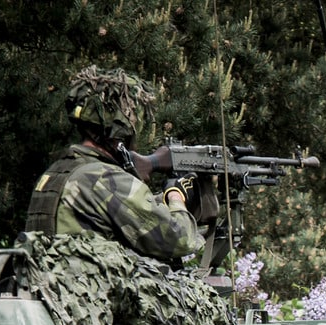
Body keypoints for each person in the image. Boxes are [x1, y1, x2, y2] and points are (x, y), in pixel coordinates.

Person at [26, 65, 210, 265]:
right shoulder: (104, 178)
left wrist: (159, 201)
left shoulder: (58, 171)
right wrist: (176, 197)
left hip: (52, 286)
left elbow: (126, 213)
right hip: (86, 291)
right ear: (121, 132)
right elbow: (177, 240)